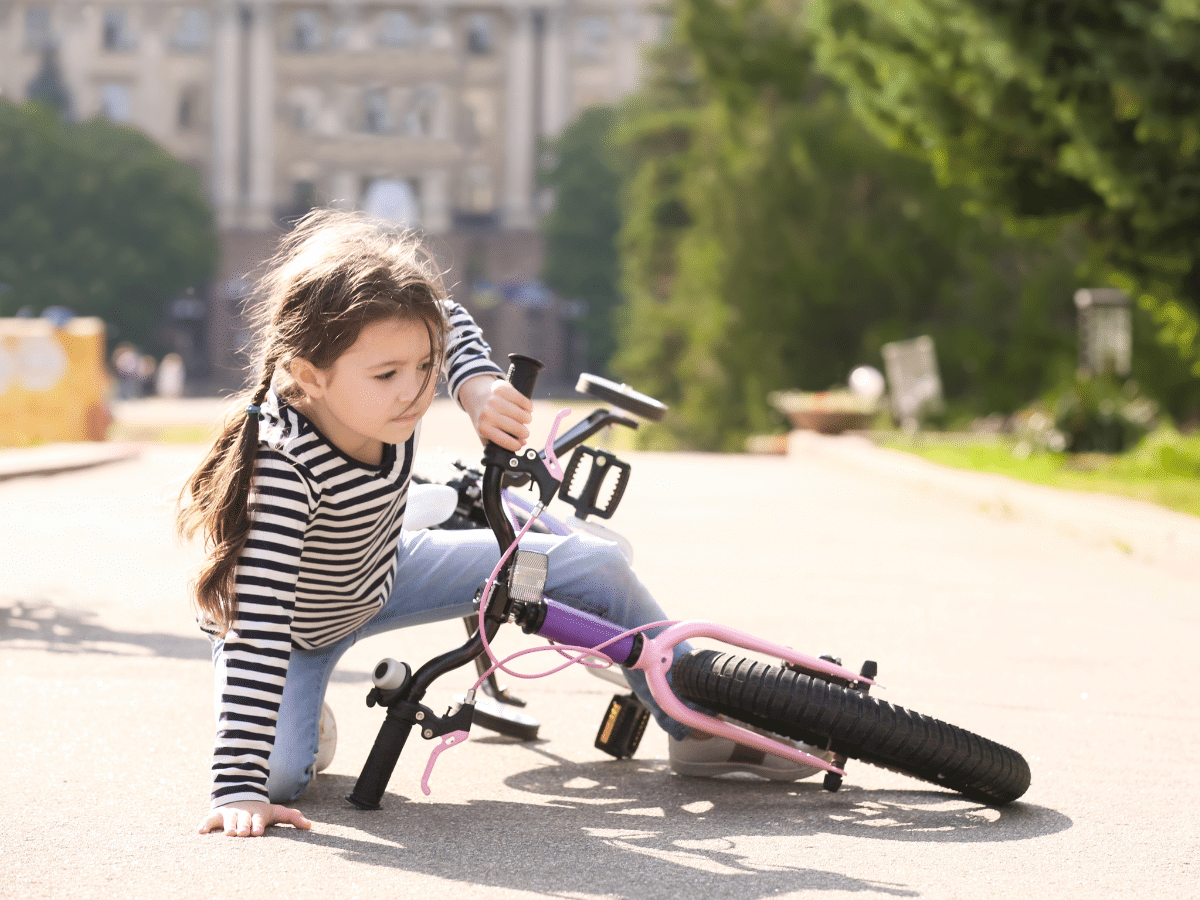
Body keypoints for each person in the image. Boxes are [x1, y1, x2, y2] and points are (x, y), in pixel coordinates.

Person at [178, 209, 822, 839]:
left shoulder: (388, 372)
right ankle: (294, 718)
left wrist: (478, 387)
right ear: (308, 378)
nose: (415, 388)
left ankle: (698, 724)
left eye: (425, 368)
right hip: (291, 629)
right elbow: (257, 629)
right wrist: (237, 782)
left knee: (592, 565)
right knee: (281, 776)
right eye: (389, 375)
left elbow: (445, 320)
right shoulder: (283, 468)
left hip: (384, 571)